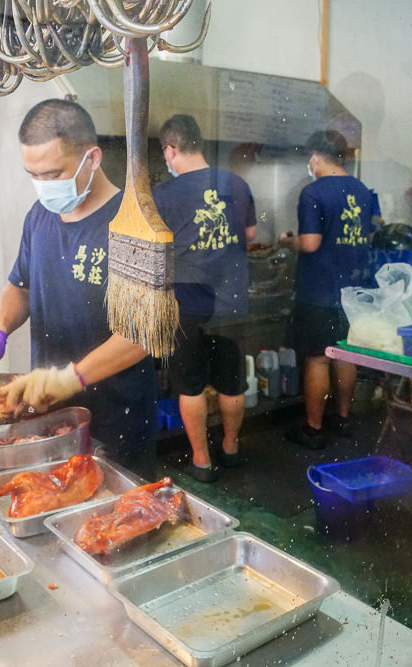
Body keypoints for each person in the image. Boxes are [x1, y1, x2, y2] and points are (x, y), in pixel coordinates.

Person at [0, 99, 158, 478]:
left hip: (115, 423)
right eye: (33, 175)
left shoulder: (135, 224)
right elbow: (19, 286)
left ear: (93, 158)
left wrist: (69, 378)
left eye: (53, 174)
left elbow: (140, 335)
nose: (43, 186)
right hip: (49, 415)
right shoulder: (39, 216)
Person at [152, 114, 257, 482]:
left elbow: (156, 250)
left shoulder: (164, 194)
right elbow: (251, 232)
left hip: (186, 304)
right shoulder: (236, 183)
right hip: (230, 302)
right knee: (232, 382)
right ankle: (230, 449)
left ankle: (202, 462)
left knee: (190, 385)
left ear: (170, 149)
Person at [281, 130, 378, 449]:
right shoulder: (363, 190)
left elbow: (310, 243)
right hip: (353, 289)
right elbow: (372, 230)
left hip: (319, 290)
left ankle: (313, 429)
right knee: (344, 354)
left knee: (318, 359)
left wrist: (287, 241)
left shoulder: (313, 193)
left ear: (315, 157)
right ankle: (344, 418)